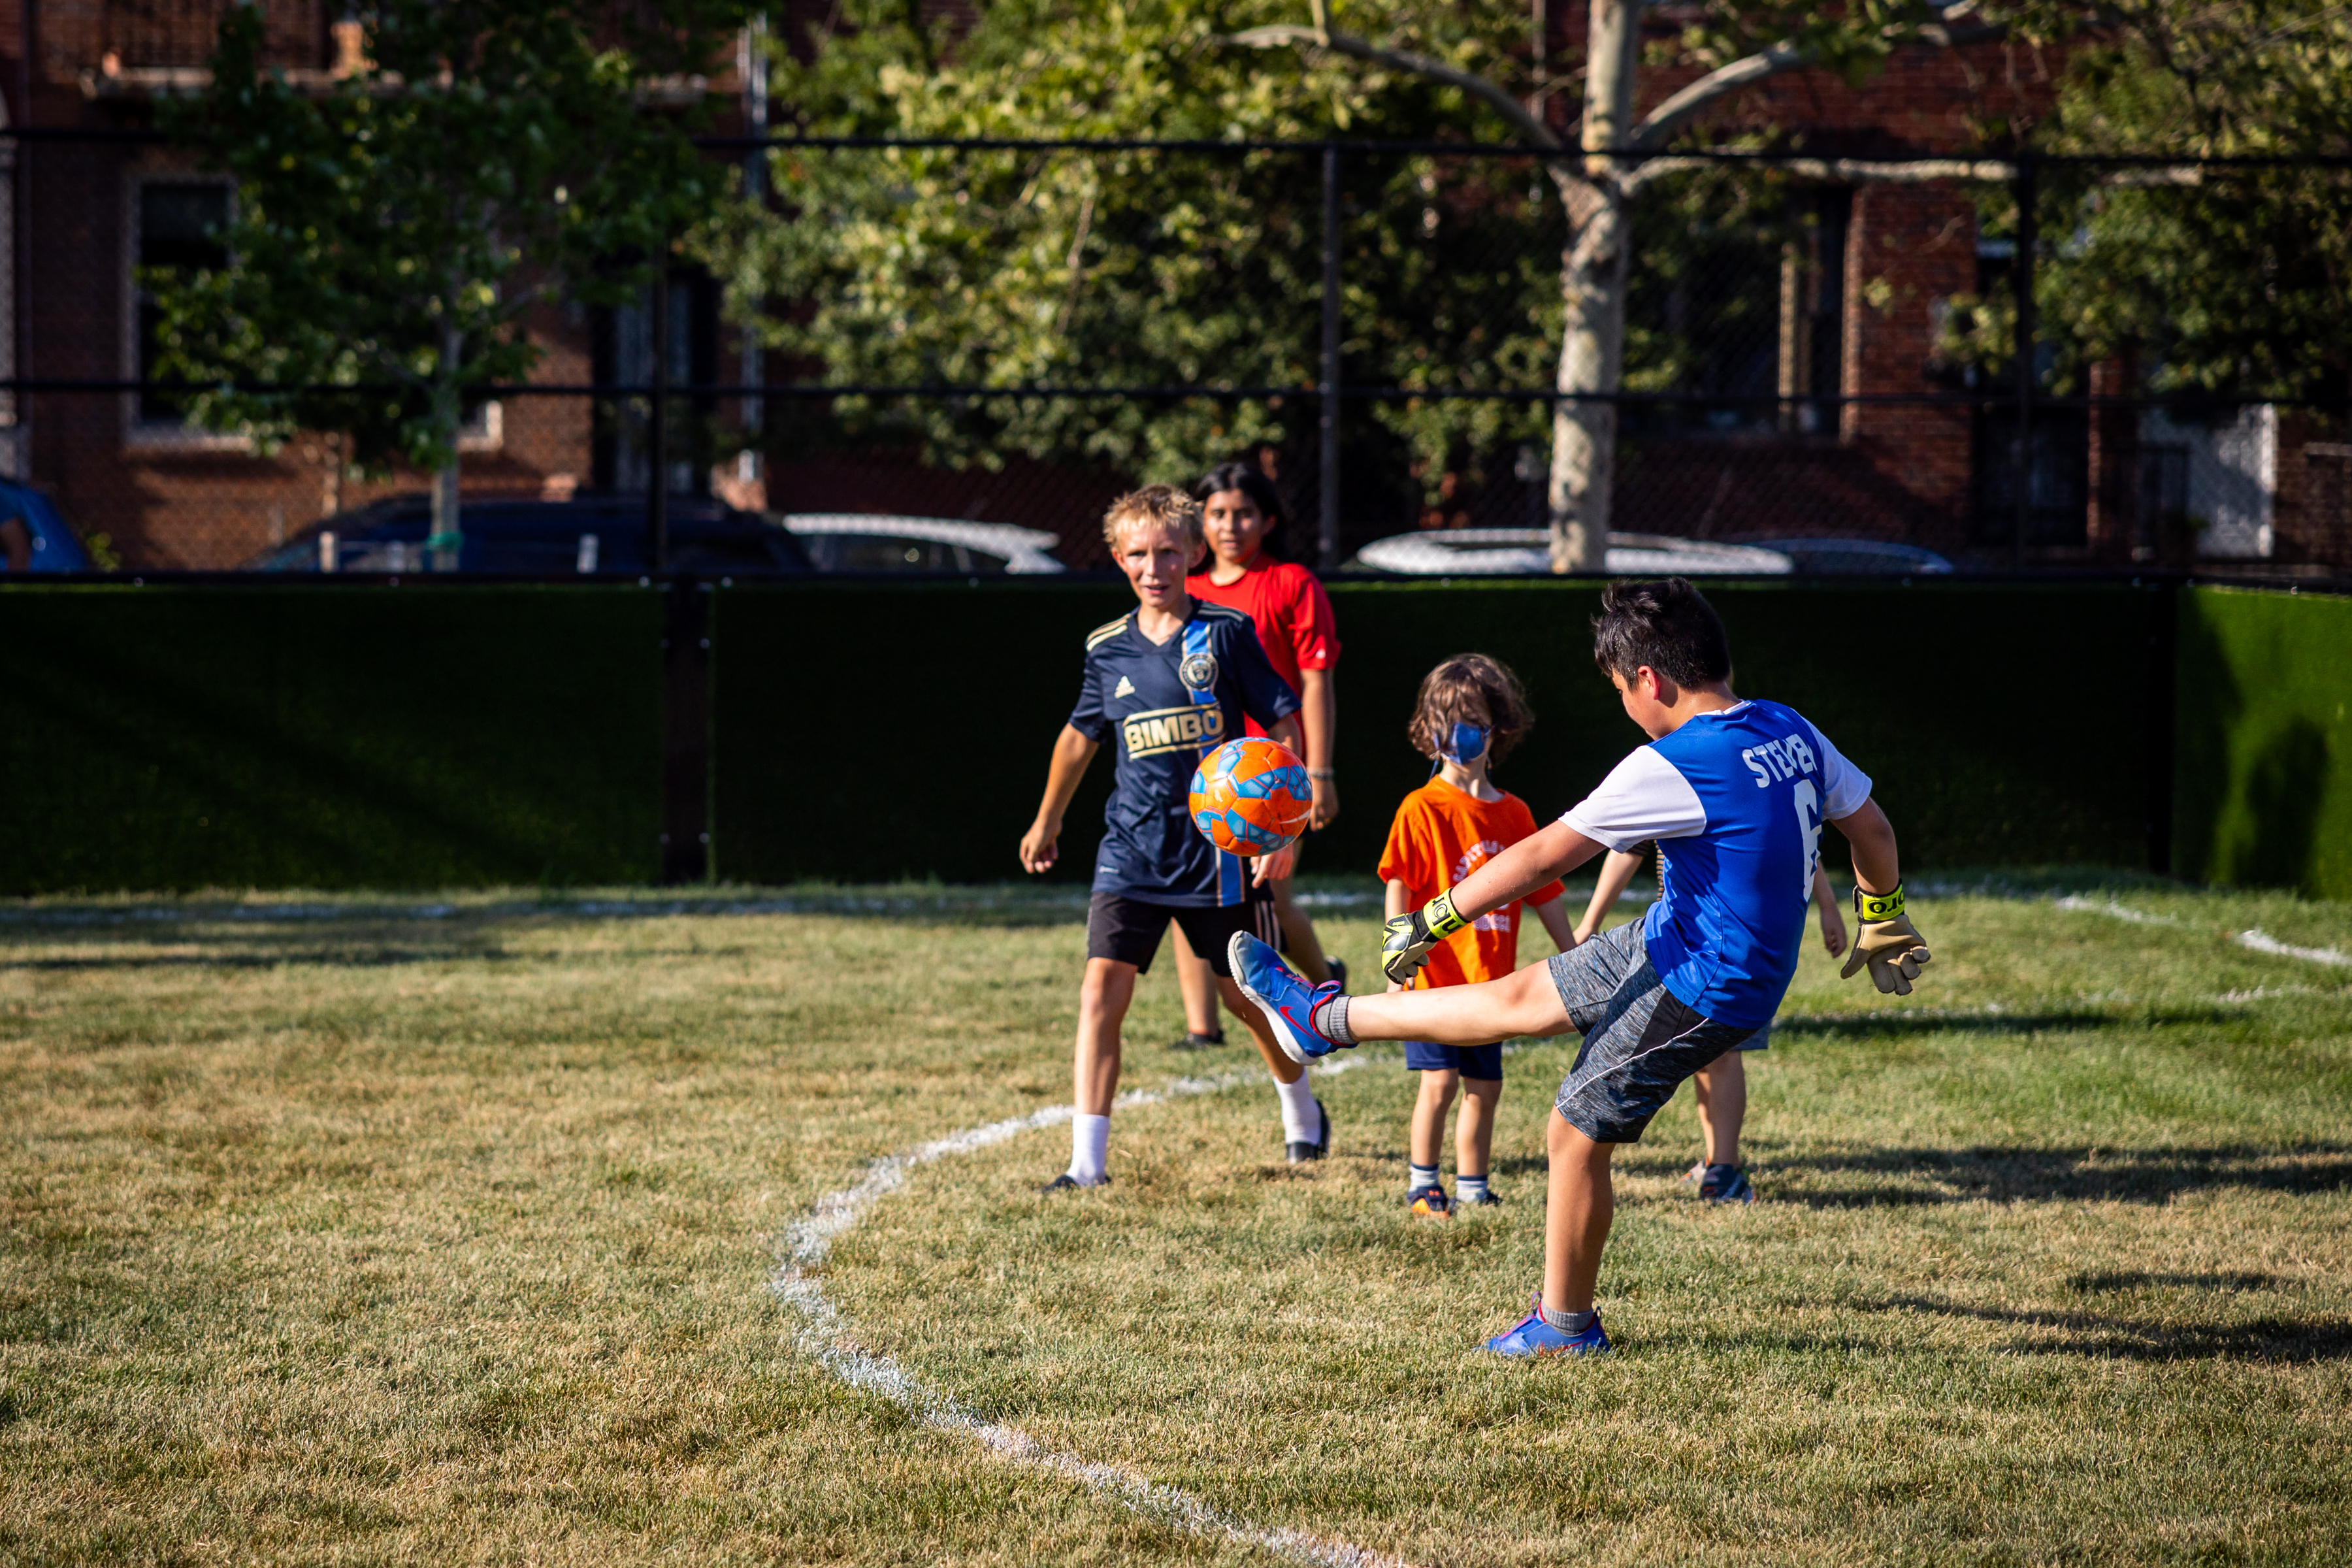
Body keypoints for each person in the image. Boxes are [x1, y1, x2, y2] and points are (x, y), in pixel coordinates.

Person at [1230, 578, 1933, 1355]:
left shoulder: (1672, 762)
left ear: (1649, 681)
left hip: (1707, 985)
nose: (1624, 707)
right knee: (1517, 998)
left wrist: (1433, 918)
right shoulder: (1788, 728)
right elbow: (1870, 827)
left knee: (1571, 1133)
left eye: (1618, 690)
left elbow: (1537, 857)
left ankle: (1565, 1327)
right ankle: (1321, 1020)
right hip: (1679, 937)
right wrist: (1882, 918)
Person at [1019, 485, 1331, 1189]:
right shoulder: (1106, 650)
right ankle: (1085, 1166)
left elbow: (1283, 724)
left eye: (1167, 552)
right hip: (1130, 848)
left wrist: (1284, 828)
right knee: (1101, 991)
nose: (1154, 567)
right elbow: (1079, 737)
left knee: (1244, 1000)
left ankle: (1302, 1112)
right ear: (1118, 559)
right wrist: (1048, 818)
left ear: (1193, 553)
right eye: (1139, 554)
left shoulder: (1224, 633)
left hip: (1218, 857)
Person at [1379, 654, 1576, 1218]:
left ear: (1498, 728)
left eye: (1470, 718)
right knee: (1438, 1084)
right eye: (1445, 719)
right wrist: (1399, 961)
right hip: (1436, 985)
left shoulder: (1514, 814)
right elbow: (1399, 883)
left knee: (1483, 1090)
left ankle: (1473, 1184)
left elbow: (1545, 894)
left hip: (1490, 988)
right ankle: (1423, 1185)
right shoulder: (1420, 807)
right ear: (1427, 729)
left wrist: (1575, 956)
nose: (1456, 733)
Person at [1165, 461, 1344, 1049]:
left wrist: (1316, 770)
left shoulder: (1292, 583)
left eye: (1243, 513)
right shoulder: (1184, 591)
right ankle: (1202, 1029)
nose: (1230, 525)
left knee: (1274, 895)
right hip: (1201, 775)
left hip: (1268, 778)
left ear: (1267, 519)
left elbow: (1315, 682)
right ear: (1199, 523)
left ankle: (1332, 1002)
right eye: (1217, 513)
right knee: (1185, 898)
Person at [1575, 852, 1848, 1204]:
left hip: (1736, 937)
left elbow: (1802, 840)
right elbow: (1630, 847)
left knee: (1722, 1053)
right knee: (1701, 1054)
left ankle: (1725, 1169)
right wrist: (1590, 921)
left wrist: (1828, 906)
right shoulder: (1667, 794)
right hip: (1685, 936)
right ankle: (1717, 1159)